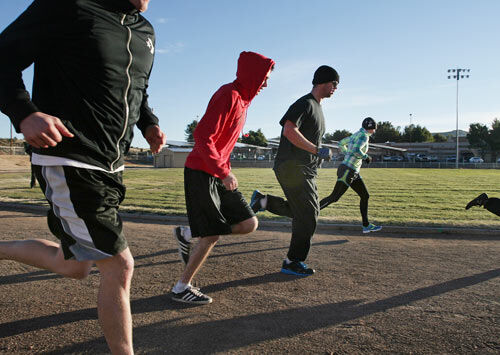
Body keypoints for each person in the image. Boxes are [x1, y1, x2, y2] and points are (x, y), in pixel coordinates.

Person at [0, 1, 165, 354]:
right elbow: (3, 56)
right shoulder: (68, 6)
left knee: (77, 265)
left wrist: (148, 122)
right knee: (119, 264)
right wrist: (23, 112)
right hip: (68, 154)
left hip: (112, 163)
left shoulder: (145, 31)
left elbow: (136, 86)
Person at [171, 51, 275, 305]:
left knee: (249, 223)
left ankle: (188, 233)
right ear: (252, 75)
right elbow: (202, 136)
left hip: (217, 172)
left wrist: (224, 169)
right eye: (263, 78)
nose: (265, 84)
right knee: (211, 236)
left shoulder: (243, 102)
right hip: (202, 171)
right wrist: (223, 171)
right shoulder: (228, 94)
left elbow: (221, 143)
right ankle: (181, 287)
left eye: (267, 79)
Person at [250, 65, 338, 277]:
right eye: (334, 84)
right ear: (324, 82)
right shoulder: (305, 103)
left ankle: (264, 201)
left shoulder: (318, 108)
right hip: (292, 166)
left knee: (308, 211)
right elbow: (289, 130)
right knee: (308, 215)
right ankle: (292, 261)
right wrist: (317, 150)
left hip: (305, 169)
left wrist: (318, 154)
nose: (336, 88)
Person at [319, 117, 382, 233]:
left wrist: (347, 153)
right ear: (371, 128)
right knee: (334, 197)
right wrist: (366, 157)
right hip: (348, 170)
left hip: (352, 171)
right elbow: (357, 150)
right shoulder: (364, 136)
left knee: (365, 195)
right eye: (374, 129)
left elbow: (341, 143)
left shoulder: (356, 134)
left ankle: (366, 225)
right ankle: (307, 215)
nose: (374, 131)